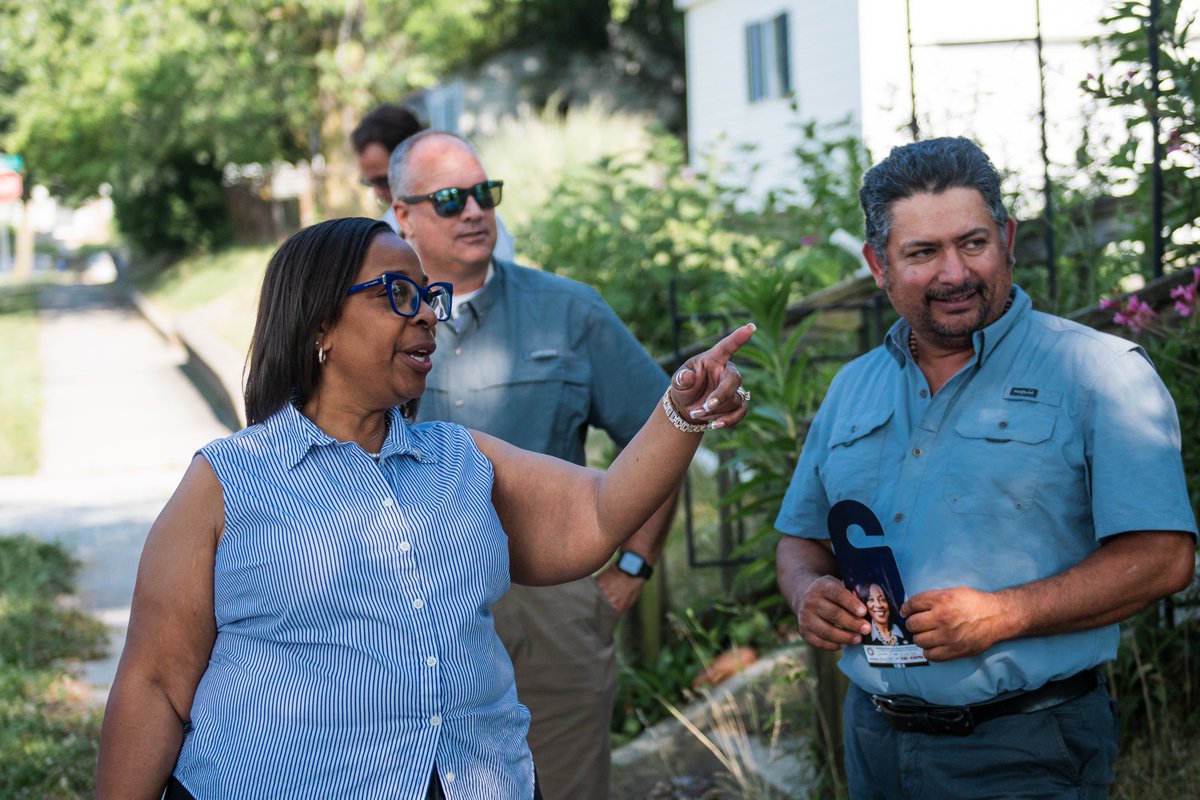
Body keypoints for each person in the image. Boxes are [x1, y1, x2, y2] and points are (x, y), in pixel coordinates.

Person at [94, 216, 754, 800]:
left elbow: (602, 511)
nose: (429, 315)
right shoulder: (227, 481)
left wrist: (682, 413)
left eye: (430, 297)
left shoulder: (462, 460)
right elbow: (153, 684)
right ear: (321, 322)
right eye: (399, 296)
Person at [774, 137, 1197, 799]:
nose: (953, 273)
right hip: (873, 742)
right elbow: (801, 539)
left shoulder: (1101, 375)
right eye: (921, 253)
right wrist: (807, 593)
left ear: (1007, 237)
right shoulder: (851, 388)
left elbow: (1165, 557)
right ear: (877, 264)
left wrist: (1008, 614)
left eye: (972, 243)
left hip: (1028, 746)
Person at [386, 129, 678, 799]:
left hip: (549, 613)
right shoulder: (369, 322)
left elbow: (664, 433)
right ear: (403, 215)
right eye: (451, 198)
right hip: (406, 612)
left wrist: (629, 571)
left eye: (485, 194)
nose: (474, 211)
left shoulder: (569, 312)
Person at [351, 103, 515, 261]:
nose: (378, 193)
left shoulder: (480, 226)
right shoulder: (382, 237)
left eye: (383, 181)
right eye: (369, 182)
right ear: (403, 215)